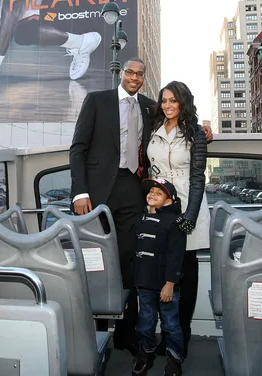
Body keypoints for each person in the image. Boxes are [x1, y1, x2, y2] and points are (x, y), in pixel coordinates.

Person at [70, 57, 155, 355]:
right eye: (130, 72)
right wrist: (80, 192)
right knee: (95, 262)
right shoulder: (96, 100)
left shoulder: (148, 106)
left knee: (131, 259)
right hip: (96, 193)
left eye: (139, 74)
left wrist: (202, 127)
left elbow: (175, 120)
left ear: (143, 78)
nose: (134, 77)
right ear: (121, 73)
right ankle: (91, 331)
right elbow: (78, 147)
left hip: (132, 188)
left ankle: (125, 333)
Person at [147, 81, 210, 357]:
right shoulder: (153, 130)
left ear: (183, 102)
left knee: (186, 273)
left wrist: (191, 216)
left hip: (188, 205)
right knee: (164, 273)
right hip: (160, 207)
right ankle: (168, 334)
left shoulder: (195, 132)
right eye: (164, 100)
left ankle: (181, 336)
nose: (168, 105)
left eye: (173, 100)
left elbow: (198, 178)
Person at [133, 177, 186, 376]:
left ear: (169, 201)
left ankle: (175, 360)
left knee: (171, 324)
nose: (152, 194)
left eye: (159, 193)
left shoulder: (174, 222)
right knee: (145, 322)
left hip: (166, 284)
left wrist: (170, 283)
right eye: (151, 191)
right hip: (144, 282)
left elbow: (176, 255)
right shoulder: (140, 219)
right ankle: (146, 353)